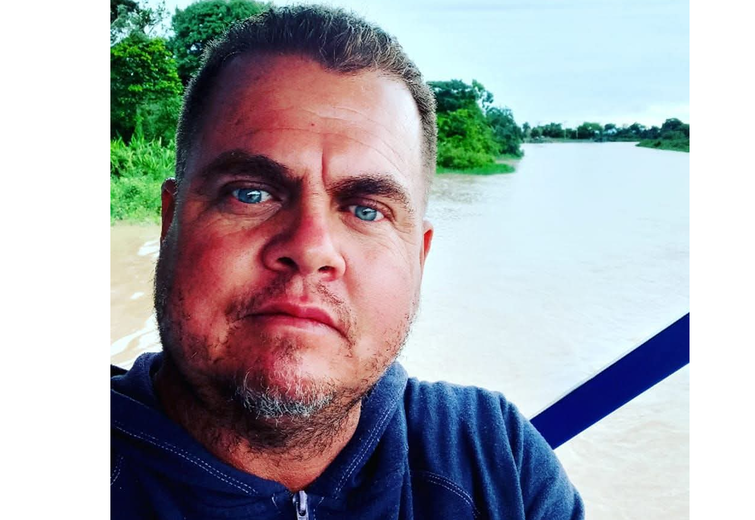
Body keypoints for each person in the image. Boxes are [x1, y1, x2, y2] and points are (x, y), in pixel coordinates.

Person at [111, 5, 584, 519]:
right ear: (170, 221)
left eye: (367, 210)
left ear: (419, 258)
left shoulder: (494, 461)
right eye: (250, 194)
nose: (311, 248)